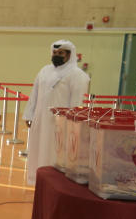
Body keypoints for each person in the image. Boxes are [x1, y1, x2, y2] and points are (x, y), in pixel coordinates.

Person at [22, 40, 90, 185]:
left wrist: (73, 123)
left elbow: (77, 102)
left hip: (61, 124)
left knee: (55, 152)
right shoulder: (44, 70)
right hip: (41, 120)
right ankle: (36, 179)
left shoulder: (77, 75)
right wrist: (29, 114)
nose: (56, 55)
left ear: (69, 55)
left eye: (61, 53)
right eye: (54, 52)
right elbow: (34, 93)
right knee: (38, 149)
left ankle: (54, 183)